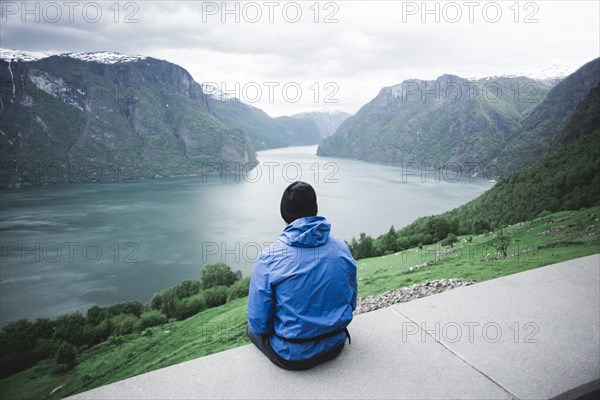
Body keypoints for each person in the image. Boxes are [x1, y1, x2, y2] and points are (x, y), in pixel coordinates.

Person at [246, 181, 357, 370]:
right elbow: (352, 303)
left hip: (291, 356)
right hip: (335, 345)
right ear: (315, 210)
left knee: (250, 329)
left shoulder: (269, 259)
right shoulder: (341, 248)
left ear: (284, 213)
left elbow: (259, 324)